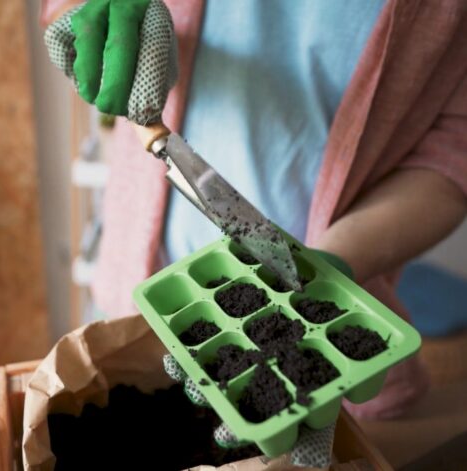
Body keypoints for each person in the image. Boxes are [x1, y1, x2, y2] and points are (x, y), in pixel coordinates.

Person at [41, 0, 467, 420]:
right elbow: (70, 11)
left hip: (321, 336)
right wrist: (97, 22)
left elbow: (453, 151)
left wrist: (330, 264)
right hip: (137, 281)